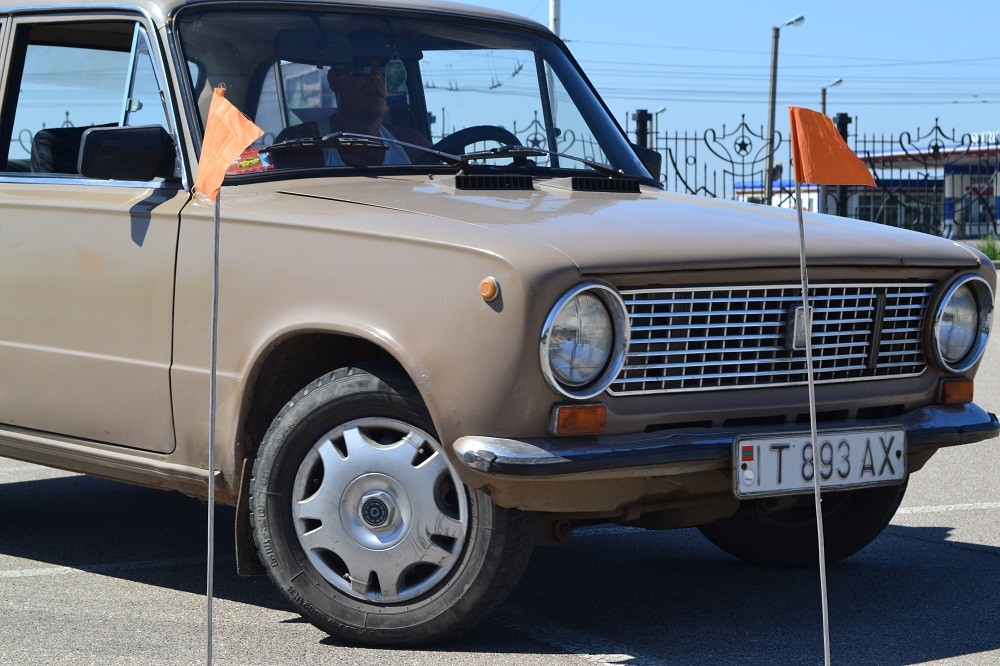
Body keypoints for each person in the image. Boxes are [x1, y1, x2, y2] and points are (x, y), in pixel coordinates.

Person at [272, 49, 430, 168]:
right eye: (361, 68)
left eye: (385, 69)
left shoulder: (414, 147)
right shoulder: (298, 146)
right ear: (334, 80)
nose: (375, 76)